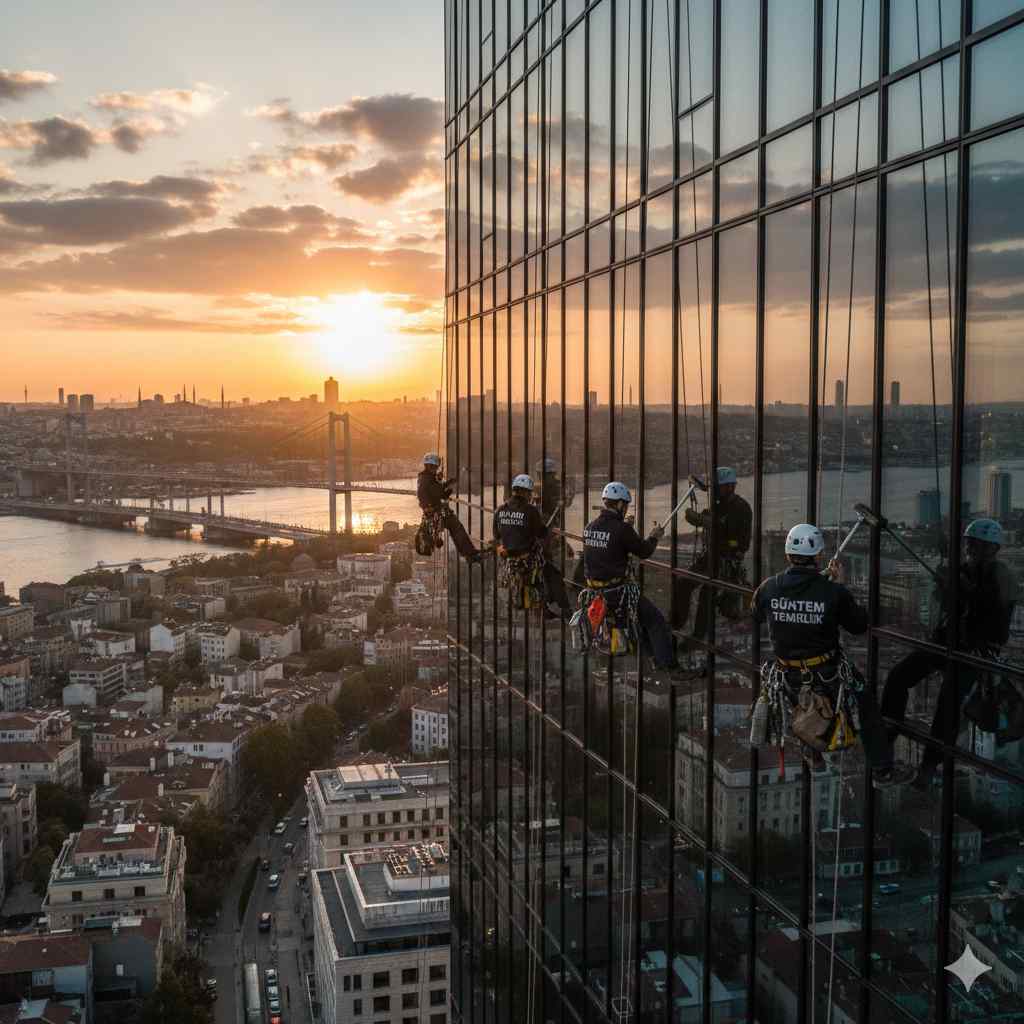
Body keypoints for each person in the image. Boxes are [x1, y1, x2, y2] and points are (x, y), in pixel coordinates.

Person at [752, 523, 913, 787]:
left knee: (803, 707)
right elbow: (858, 625)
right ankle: (882, 770)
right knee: (867, 707)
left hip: (787, 674)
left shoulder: (769, 587)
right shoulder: (832, 592)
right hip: (826, 673)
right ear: (818, 555)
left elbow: (757, 613)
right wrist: (839, 588)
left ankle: (812, 751)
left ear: (787, 554)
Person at [880, 518, 1017, 788]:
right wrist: (946, 587)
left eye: (976, 544)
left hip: (974, 651)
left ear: (992, 548)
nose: (971, 549)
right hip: (948, 642)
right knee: (898, 676)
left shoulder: (1002, 576)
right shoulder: (965, 570)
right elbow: (947, 606)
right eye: (969, 544)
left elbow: (992, 613)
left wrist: (961, 588)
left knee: (948, 704)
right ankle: (887, 736)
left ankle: (929, 765)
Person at [581, 482, 688, 675]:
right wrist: (654, 537)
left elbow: (607, 548)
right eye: (625, 505)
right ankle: (671, 667)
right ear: (620, 504)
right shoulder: (621, 529)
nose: (626, 509)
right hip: (617, 593)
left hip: (597, 592)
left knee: (642, 620)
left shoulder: (589, 527)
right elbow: (644, 551)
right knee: (656, 621)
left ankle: (655, 659)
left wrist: (626, 529)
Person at [674, 466, 753, 641]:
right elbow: (712, 519)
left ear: (730, 487)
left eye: (718, 487)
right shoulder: (719, 504)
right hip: (711, 556)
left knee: (706, 595)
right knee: (683, 584)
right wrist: (699, 517)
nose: (714, 491)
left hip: (726, 559)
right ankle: (677, 624)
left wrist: (705, 521)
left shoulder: (741, 507)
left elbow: (731, 533)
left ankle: (697, 636)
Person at [494, 474, 571, 616]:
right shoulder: (530, 510)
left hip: (508, 559)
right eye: (530, 493)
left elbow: (497, 535)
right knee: (553, 573)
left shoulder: (499, 510)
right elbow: (541, 533)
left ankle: (541, 605)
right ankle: (565, 610)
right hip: (526, 558)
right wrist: (549, 527)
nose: (531, 497)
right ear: (526, 493)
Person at [416, 453, 480, 561]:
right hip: (437, 511)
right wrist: (449, 489)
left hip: (432, 512)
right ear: (431, 466)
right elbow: (439, 494)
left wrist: (445, 482)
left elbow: (435, 490)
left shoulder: (425, 478)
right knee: (456, 528)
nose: (436, 469)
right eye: (435, 467)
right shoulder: (427, 479)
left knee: (455, 528)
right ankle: (469, 553)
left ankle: (468, 553)